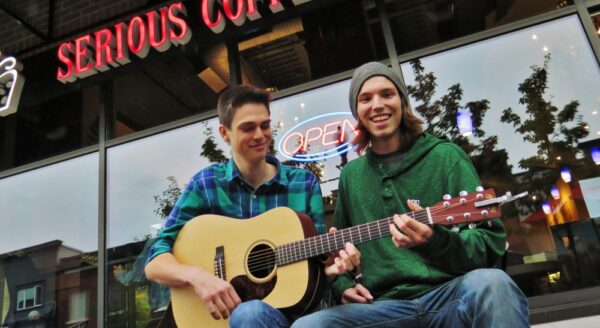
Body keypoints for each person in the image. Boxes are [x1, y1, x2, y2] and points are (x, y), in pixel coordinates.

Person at [292, 62, 529, 327]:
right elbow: (341, 250)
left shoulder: (446, 157)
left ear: (403, 103)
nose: (377, 105)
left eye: (387, 94)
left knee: (494, 284)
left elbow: (490, 243)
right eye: (365, 98)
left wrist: (435, 240)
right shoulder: (351, 175)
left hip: (451, 294)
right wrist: (344, 285)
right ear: (357, 112)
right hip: (383, 308)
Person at [144, 85, 359, 328]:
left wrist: (333, 269)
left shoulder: (303, 183)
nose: (260, 135)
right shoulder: (206, 184)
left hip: (294, 316)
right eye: (248, 127)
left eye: (265, 125)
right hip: (224, 318)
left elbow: (316, 267)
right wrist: (198, 277)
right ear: (225, 133)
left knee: (252, 314)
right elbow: (154, 262)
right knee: (249, 313)